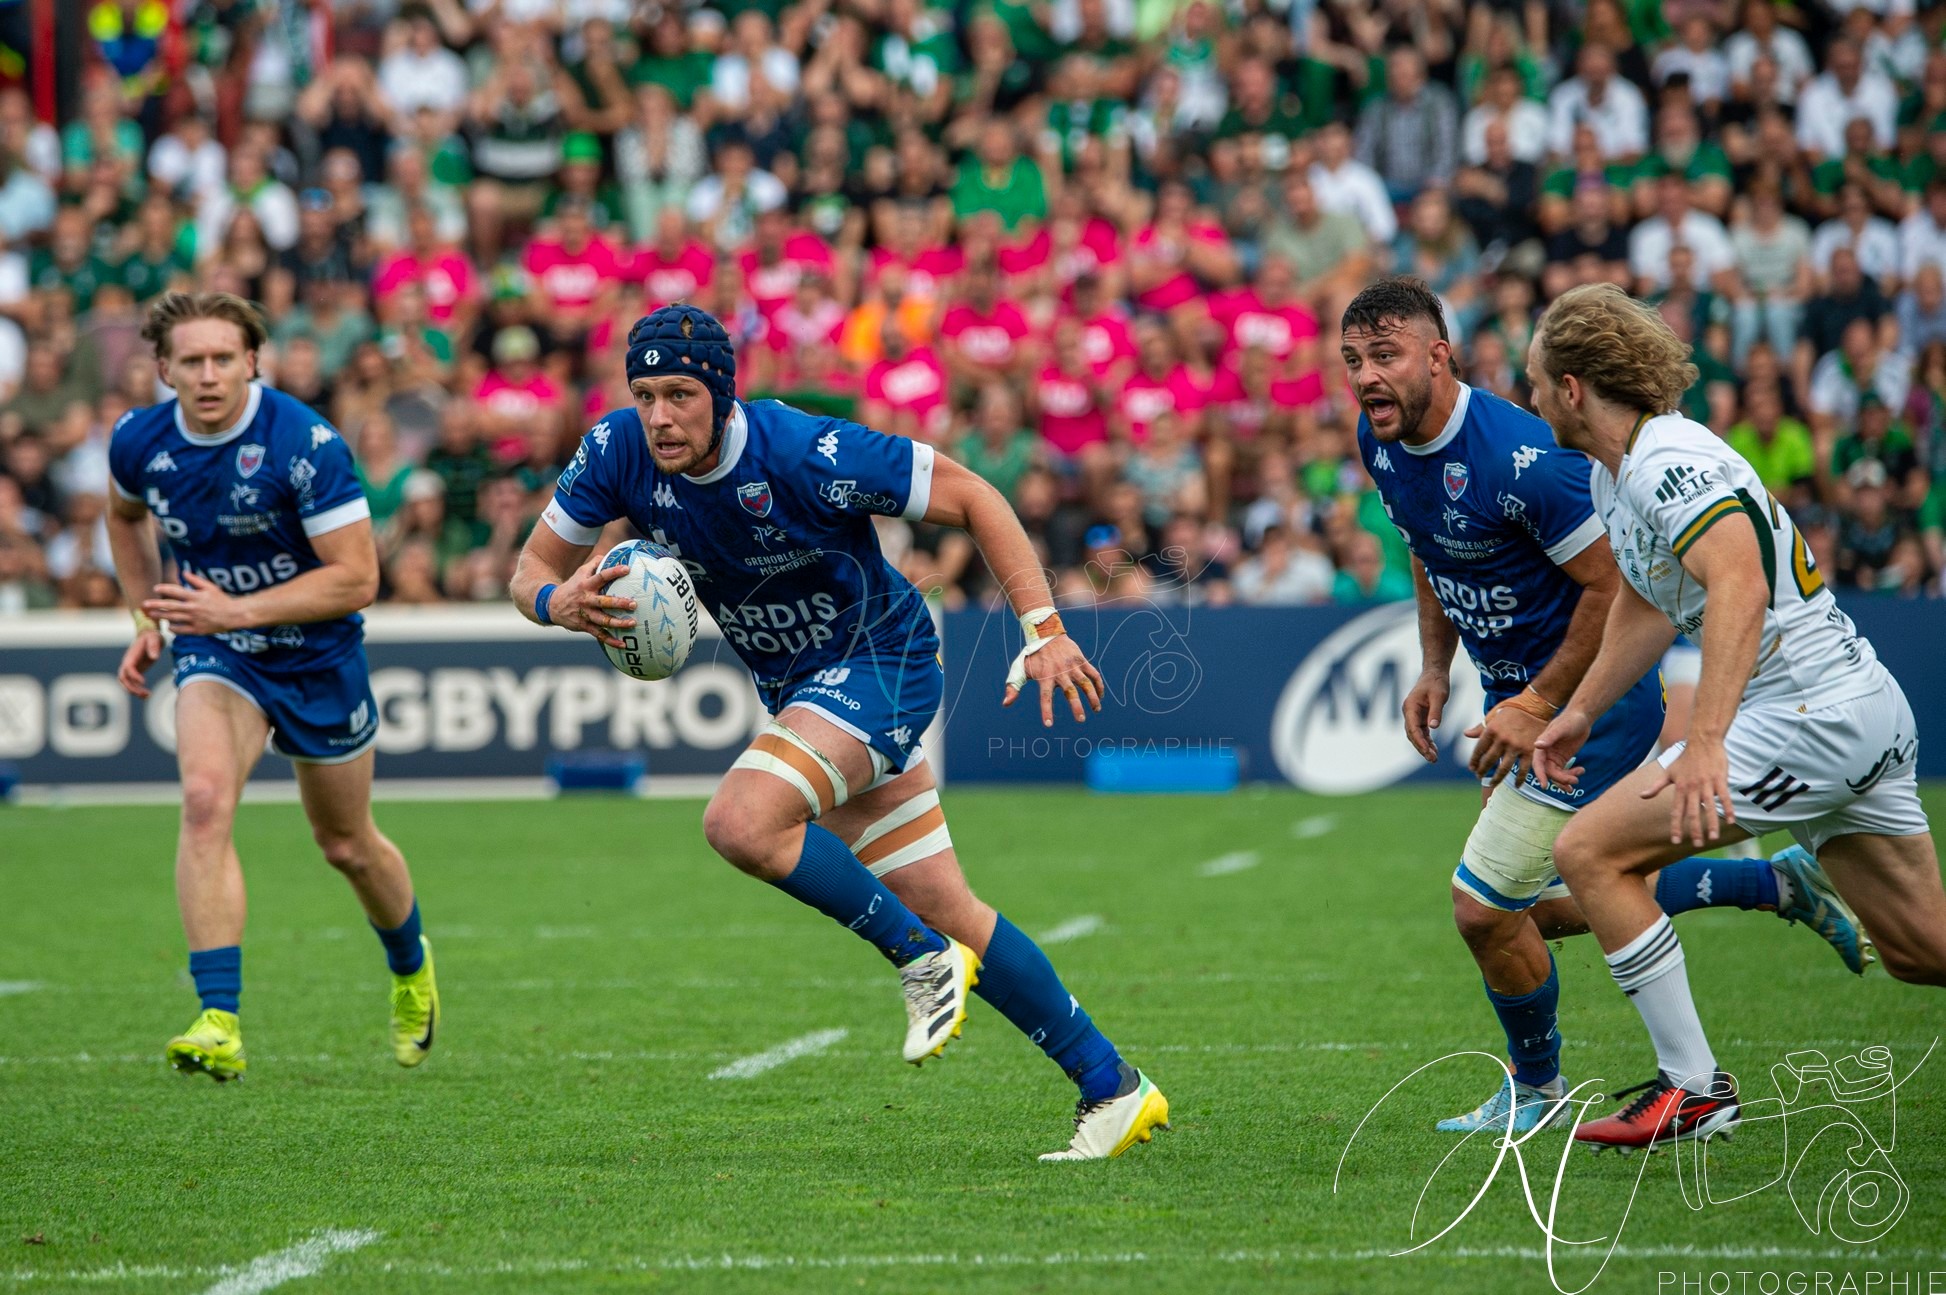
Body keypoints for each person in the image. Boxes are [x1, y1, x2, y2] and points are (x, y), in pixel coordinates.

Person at [509, 303, 1167, 1161]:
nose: (660, 415)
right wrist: (559, 603)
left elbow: (974, 495)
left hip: (882, 662)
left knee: (741, 821)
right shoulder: (616, 450)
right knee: (955, 910)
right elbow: (528, 571)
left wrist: (1043, 628)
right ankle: (1113, 1085)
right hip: (800, 689)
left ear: (719, 389)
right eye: (644, 393)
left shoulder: (805, 451)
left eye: (679, 393)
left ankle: (917, 957)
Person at [1339, 277, 1865, 1136]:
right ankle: (1775, 883)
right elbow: (1424, 547)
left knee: (1484, 907)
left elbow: (1612, 587)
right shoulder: (1382, 438)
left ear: (1440, 354)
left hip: (1590, 708)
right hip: (1518, 704)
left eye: (1386, 355)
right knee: (1543, 904)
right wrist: (1435, 665)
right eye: (1354, 360)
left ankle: (1540, 1089)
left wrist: (1546, 701)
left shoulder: (1525, 456)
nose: (1366, 376)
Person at [1528, 283, 1946, 1154]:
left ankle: (1693, 1090)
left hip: (1806, 715)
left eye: (1534, 383)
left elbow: (1740, 581)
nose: (1529, 399)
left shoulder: (1664, 459)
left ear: (1572, 387)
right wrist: (1579, 711)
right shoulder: (1621, 471)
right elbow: (1649, 604)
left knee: (1588, 852)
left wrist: (1708, 739)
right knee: (1919, 950)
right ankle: (1693, 1089)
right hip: (1850, 706)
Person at [104, 291, 439, 1082]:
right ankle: (218, 1016)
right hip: (218, 653)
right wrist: (143, 616)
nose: (209, 374)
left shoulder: (304, 442)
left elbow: (357, 578)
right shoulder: (139, 443)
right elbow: (122, 517)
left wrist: (234, 606)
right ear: (164, 368)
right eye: (192, 360)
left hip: (318, 657)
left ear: (253, 360)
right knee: (204, 800)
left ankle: (409, 964)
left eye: (225, 357)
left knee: (346, 844)